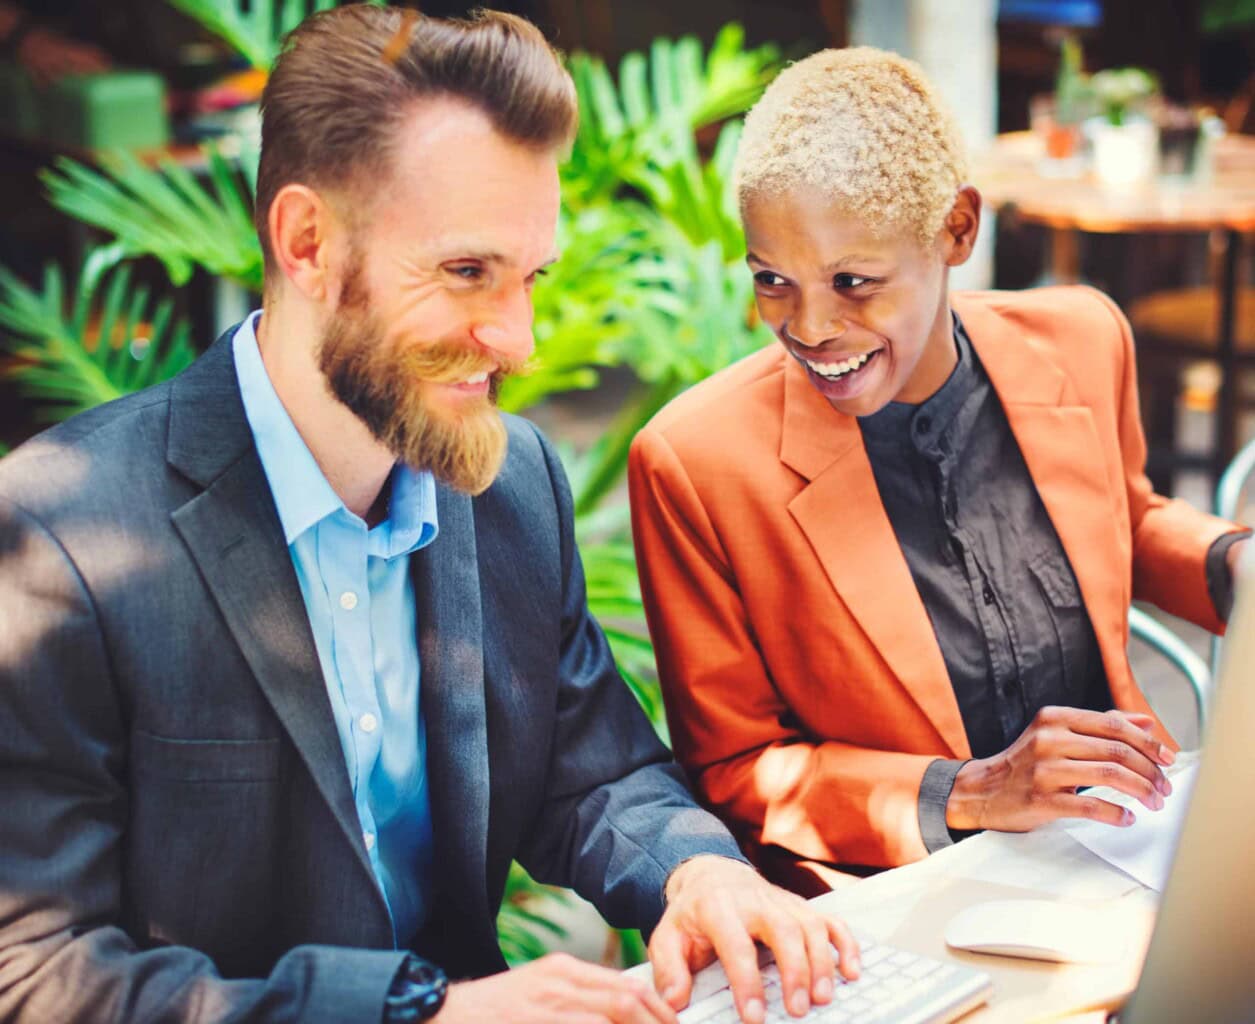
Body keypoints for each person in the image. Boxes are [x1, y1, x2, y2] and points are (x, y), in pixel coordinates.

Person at [0, 8, 860, 1024]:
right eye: (466, 273)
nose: (521, 341)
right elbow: (39, 975)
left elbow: (594, 775)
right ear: (308, 242)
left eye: (529, 277)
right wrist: (421, 1013)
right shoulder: (60, 539)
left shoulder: (511, 482)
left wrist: (699, 876)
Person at [628, 46, 1250, 894]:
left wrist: (1229, 565)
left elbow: (1122, 519)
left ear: (957, 228)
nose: (808, 326)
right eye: (772, 279)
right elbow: (738, 766)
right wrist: (974, 792)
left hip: (1123, 847)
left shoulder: (1080, 337)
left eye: (853, 281)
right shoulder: (695, 464)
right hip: (890, 899)